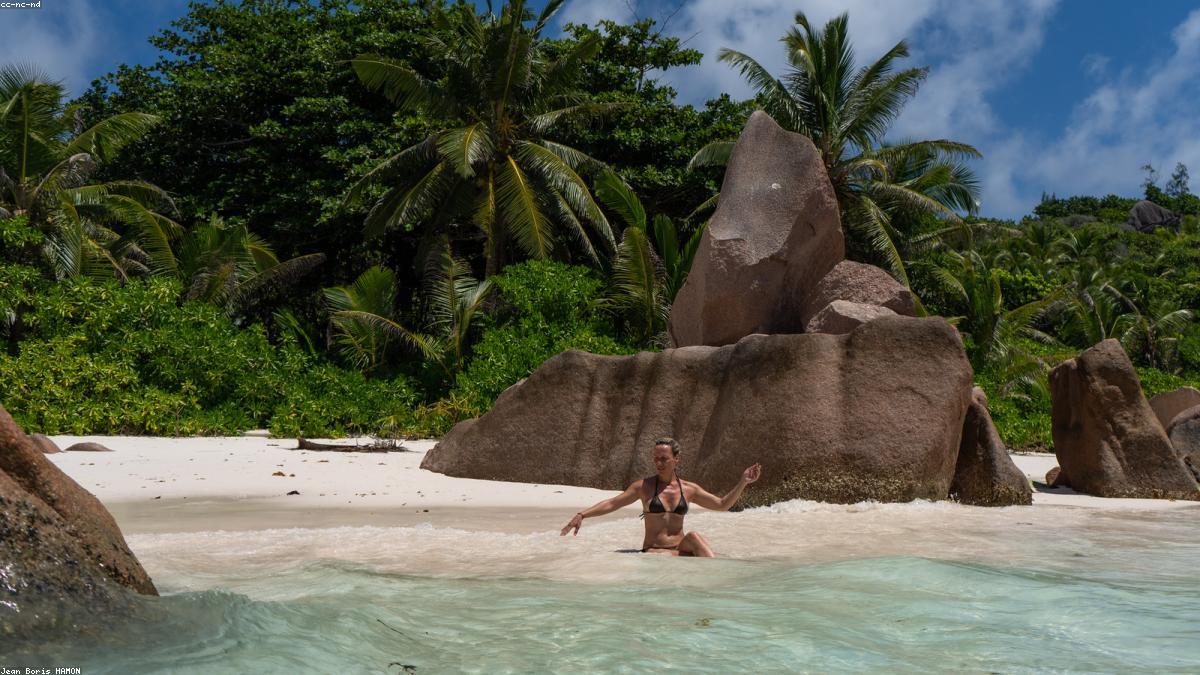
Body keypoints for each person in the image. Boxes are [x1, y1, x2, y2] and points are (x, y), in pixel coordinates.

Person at [559, 437, 762, 557]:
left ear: (676, 460)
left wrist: (743, 481)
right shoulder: (643, 486)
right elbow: (613, 503)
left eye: (664, 459)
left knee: (694, 536)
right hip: (654, 550)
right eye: (656, 459)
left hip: (681, 548)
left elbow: (722, 505)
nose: (659, 463)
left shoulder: (689, 489)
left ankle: (715, 580)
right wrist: (582, 515)